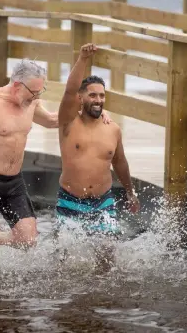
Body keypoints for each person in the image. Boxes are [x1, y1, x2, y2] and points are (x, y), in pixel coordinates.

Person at [0, 59, 112, 270]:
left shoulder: (31, 103)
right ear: (17, 85)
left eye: (40, 91)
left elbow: (54, 120)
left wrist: (91, 112)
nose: (37, 96)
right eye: (34, 91)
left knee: (28, 240)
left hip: (14, 181)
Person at [55, 43, 140, 271]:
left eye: (102, 96)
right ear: (81, 98)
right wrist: (83, 58)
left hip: (103, 202)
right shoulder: (68, 123)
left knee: (107, 261)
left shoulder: (113, 129)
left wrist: (130, 193)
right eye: (92, 95)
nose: (98, 100)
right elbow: (69, 90)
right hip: (70, 199)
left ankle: (102, 305)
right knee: (65, 263)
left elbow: (120, 162)